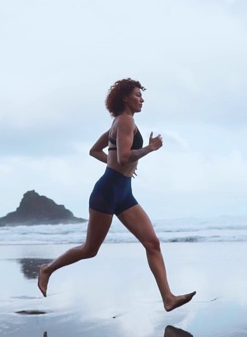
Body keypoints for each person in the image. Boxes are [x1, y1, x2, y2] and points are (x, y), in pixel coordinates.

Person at [37, 78, 196, 312]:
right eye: (137, 95)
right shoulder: (124, 121)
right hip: (108, 191)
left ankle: (168, 298)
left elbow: (96, 151)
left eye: (142, 95)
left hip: (123, 191)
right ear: (125, 98)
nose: (142, 99)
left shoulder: (119, 122)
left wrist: (118, 165)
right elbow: (123, 157)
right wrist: (149, 149)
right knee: (90, 249)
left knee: (152, 243)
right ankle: (47, 269)